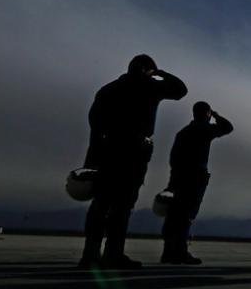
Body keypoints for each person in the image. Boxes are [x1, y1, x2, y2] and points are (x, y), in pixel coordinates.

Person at [79, 54, 187, 269]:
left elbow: (95, 125)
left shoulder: (107, 90)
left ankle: (90, 254)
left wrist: (91, 160)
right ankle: (113, 253)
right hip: (134, 151)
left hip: (107, 150)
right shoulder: (149, 87)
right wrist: (160, 74)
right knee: (123, 204)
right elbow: (180, 90)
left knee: (101, 203)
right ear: (147, 70)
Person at [160, 102, 233, 264]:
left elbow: (174, 159)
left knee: (175, 214)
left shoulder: (183, 133)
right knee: (187, 215)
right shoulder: (205, 130)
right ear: (206, 113)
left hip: (179, 176)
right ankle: (180, 251)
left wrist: (172, 182)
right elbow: (228, 127)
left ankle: (168, 251)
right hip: (196, 176)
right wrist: (216, 115)